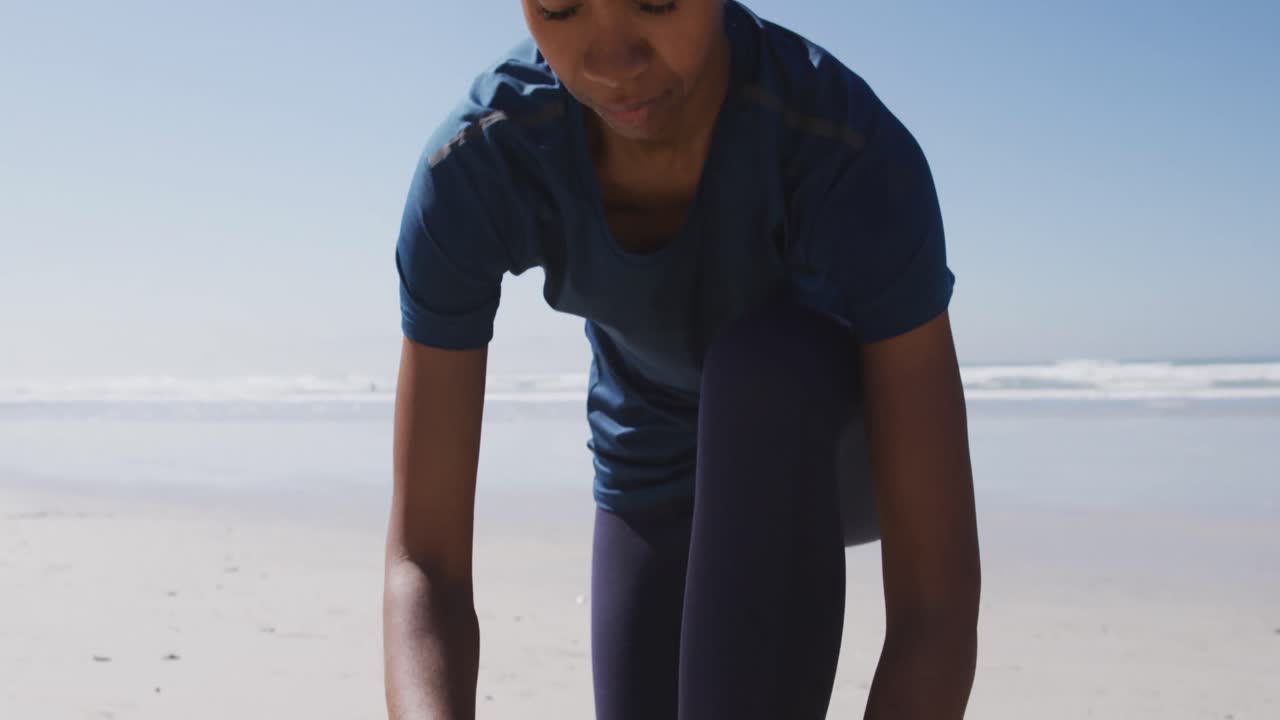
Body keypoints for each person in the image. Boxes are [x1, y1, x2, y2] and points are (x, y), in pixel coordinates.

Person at [383, 1, 980, 718]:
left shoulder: (845, 151)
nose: (610, 63)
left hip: (833, 451)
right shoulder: (480, 166)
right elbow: (426, 562)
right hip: (650, 458)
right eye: (561, 7)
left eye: (655, 0)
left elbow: (935, 605)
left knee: (762, 370)